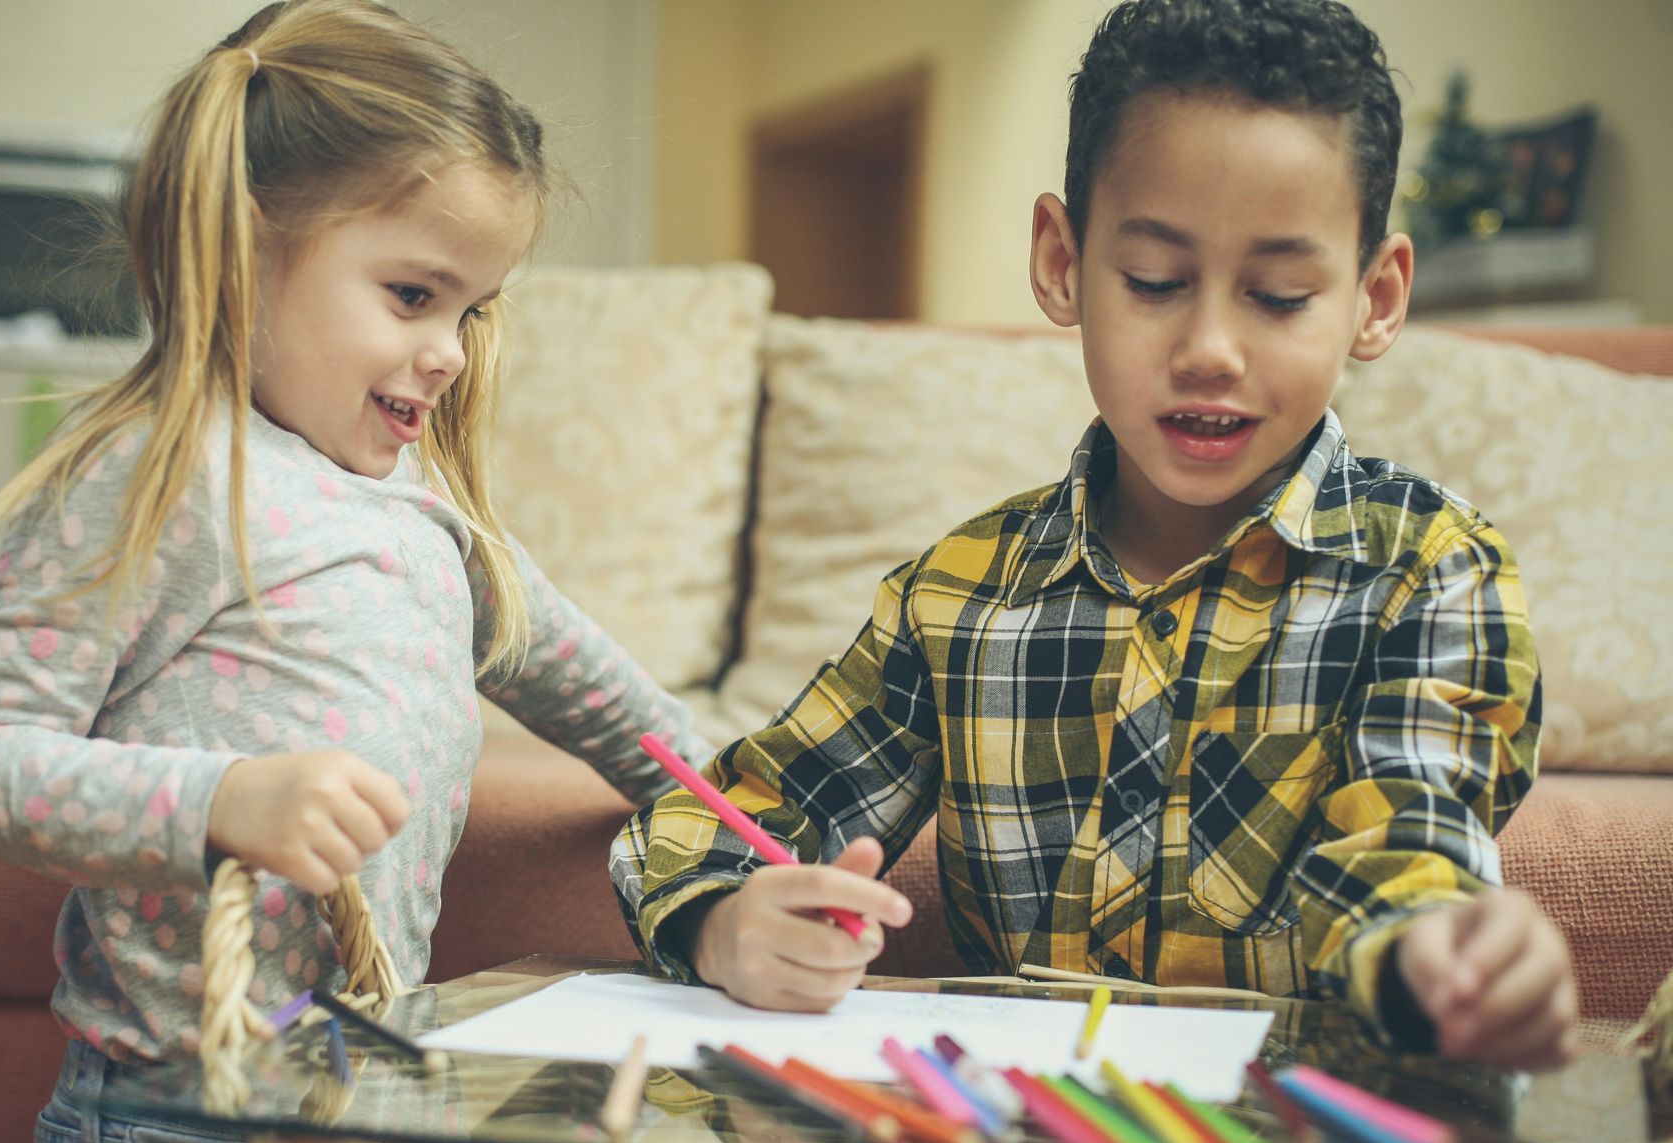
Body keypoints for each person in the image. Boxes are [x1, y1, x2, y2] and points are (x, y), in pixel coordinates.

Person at [611, 0, 1576, 1074]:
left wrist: (1435, 958)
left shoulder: (1431, 572)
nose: (1210, 347)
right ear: (1063, 262)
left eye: (1281, 294)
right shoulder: (959, 594)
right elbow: (719, 813)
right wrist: (723, 920)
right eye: (1156, 282)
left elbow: (1408, 846)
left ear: (1375, 297)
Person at [0, 2, 708, 1143]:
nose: (446, 352)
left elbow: (617, 703)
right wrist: (220, 798)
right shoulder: (159, 477)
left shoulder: (432, 513)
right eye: (410, 294)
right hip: (170, 1142)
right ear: (240, 248)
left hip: (351, 1113)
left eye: (473, 311)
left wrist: (765, 821)